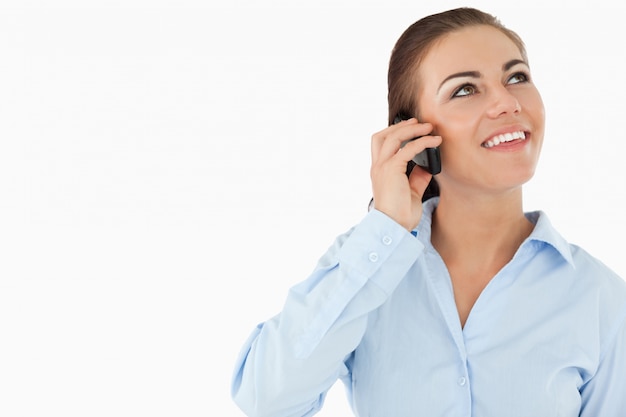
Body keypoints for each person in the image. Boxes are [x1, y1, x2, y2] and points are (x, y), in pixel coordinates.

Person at [230, 7, 626, 417]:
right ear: (414, 134)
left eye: (517, 77)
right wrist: (386, 226)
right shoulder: (365, 269)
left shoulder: (600, 298)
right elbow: (268, 400)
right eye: (465, 90)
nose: (507, 102)